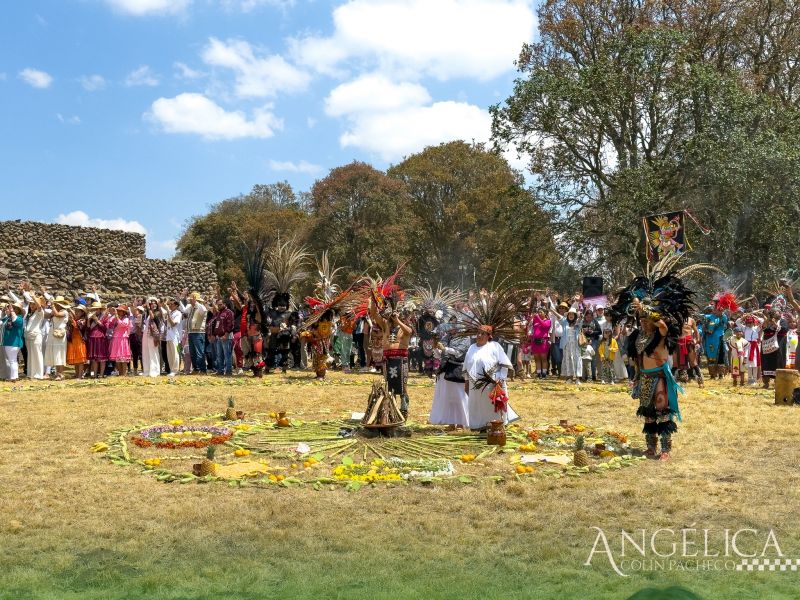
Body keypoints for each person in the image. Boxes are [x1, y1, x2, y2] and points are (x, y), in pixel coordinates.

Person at [610, 258, 695, 461]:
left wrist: (645, 309)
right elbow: (638, 360)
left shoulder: (662, 333)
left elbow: (662, 325)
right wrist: (636, 378)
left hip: (660, 377)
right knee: (648, 414)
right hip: (645, 378)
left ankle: (665, 450)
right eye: (641, 319)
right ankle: (650, 447)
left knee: (663, 412)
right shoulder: (637, 336)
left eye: (646, 319)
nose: (643, 322)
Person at [462, 326, 520, 430]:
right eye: (478, 333)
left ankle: (494, 426)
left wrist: (501, 378)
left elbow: (505, 364)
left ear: (489, 336)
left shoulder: (495, 346)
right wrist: (466, 383)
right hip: (474, 386)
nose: (479, 335)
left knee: (491, 406)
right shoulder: (471, 348)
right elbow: (466, 367)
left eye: (483, 333)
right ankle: (479, 426)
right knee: (477, 405)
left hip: (492, 384)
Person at [369, 294, 413, 417]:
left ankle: (404, 410)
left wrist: (397, 320)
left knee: (403, 386)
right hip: (388, 359)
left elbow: (409, 332)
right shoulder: (385, 325)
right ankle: (391, 409)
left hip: (401, 360)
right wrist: (373, 298)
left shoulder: (404, 327)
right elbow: (374, 314)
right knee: (389, 385)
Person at [430, 321, 470, 428]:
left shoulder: (465, 338)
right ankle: (451, 423)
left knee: (460, 397)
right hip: (446, 369)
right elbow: (439, 356)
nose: (451, 327)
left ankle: (461, 423)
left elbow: (458, 353)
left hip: (458, 369)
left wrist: (444, 348)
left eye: (453, 325)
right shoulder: (446, 337)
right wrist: (435, 347)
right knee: (449, 398)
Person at [44, 296, 70, 381]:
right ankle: (57, 373)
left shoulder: (64, 312)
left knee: (59, 353)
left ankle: (60, 374)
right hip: (53, 333)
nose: (56, 304)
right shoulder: (54, 310)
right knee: (55, 353)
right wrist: (42, 307)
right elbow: (46, 316)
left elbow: (57, 315)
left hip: (60, 334)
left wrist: (52, 305)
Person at [183, 291, 208, 375]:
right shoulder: (190, 308)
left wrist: (196, 303)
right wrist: (182, 298)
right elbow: (184, 311)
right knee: (192, 352)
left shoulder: (201, 307)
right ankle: (196, 369)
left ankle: (203, 370)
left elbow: (203, 311)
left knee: (199, 351)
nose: (190, 301)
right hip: (191, 332)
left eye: (191, 299)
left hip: (198, 332)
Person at [24, 295, 45, 380]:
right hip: (28, 336)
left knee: (37, 354)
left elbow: (39, 307)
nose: (31, 305)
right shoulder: (30, 314)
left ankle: (38, 374)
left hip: (36, 336)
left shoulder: (40, 312)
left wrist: (33, 297)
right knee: (30, 355)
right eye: (31, 304)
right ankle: (31, 373)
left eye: (33, 304)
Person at [2, 302, 24, 382]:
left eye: (14, 308)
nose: (12, 309)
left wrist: (11, 311)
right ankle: (15, 376)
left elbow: (15, 320)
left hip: (13, 342)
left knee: (12, 360)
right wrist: (4, 311)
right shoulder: (9, 318)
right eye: (12, 308)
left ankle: (13, 377)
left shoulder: (19, 318)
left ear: (18, 310)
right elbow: (2, 319)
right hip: (10, 342)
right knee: (13, 360)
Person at [141, 298, 163, 377]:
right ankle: (147, 370)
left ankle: (155, 370)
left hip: (153, 335)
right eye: (152, 303)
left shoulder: (158, 312)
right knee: (146, 352)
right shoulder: (147, 313)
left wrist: (148, 308)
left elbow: (153, 317)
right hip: (146, 334)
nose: (154, 305)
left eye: (155, 303)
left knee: (153, 352)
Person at [760, 310, 782, 389]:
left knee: (775, 362)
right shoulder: (766, 321)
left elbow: (778, 329)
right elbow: (763, 328)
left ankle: (776, 383)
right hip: (766, 343)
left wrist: (773, 322)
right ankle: (766, 383)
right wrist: (767, 320)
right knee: (765, 362)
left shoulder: (780, 321)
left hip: (774, 343)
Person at [86, 302, 108, 378]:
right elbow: (88, 329)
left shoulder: (104, 317)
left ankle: (101, 374)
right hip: (92, 338)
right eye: (94, 309)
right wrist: (88, 320)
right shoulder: (91, 318)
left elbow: (105, 328)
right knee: (94, 359)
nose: (95, 311)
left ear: (100, 309)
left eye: (96, 309)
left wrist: (97, 320)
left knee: (102, 358)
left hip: (101, 338)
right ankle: (95, 375)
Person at [108, 305, 132, 377]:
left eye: (121, 311)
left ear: (124, 312)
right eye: (118, 311)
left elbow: (123, 324)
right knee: (117, 356)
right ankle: (120, 373)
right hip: (115, 338)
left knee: (123, 356)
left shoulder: (126, 319)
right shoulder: (115, 318)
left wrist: (117, 317)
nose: (119, 312)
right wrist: (113, 315)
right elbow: (109, 324)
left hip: (122, 338)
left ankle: (124, 373)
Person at [213, 298, 234, 376]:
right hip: (219, 337)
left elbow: (230, 324)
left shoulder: (229, 312)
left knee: (227, 355)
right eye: (218, 305)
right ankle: (220, 370)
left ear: (225, 304)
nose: (218, 306)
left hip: (226, 337)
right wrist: (215, 335)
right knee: (219, 355)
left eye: (220, 304)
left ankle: (228, 371)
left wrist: (226, 335)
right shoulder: (219, 313)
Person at [66, 304, 88, 379]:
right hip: (73, 340)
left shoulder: (83, 320)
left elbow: (79, 327)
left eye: (78, 311)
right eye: (76, 311)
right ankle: (76, 374)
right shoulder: (76, 319)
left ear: (82, 312)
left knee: (80, 360)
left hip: (80, 341)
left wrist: (72, 320)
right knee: (76, 359)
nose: (76, 312)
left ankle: (80, 375)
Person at [529, 307, 551, 379]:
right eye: (538, 312)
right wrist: (532, 317)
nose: (539, 313)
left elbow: (544, 325)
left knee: (543, 358)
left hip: (543, 341)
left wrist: (538, 318)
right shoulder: (535, 320)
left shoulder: (548, 321)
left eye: (541, 312)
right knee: (537, 358)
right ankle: (538, 373)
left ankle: (544, 373)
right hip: (535, 341)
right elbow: (530, 326)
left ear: (545, 313)